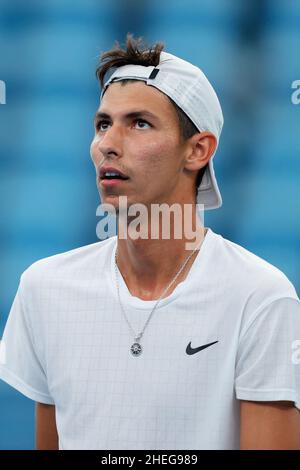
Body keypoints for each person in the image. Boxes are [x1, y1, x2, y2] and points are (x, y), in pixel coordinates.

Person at [0, 33, 300, 450]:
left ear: (198, 150)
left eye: (139, 124)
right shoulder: (43, 288)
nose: (107, 144)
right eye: (103, 124)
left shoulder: (261, 298)